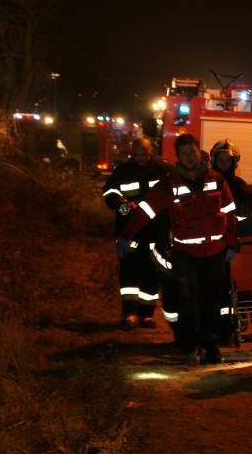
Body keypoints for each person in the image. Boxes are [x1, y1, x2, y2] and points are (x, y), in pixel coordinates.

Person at [117, 134, 238, 365]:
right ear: (178, 157)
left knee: (211, 303)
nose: (189, 157)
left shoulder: (217, 180)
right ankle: (190, 348)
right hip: (185, 255)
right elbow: (145, 211)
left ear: (198, 152)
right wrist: (126, 235)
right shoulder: (168, 184)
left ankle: (211, 347)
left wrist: (232, 243)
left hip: (215, 254)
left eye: (192, 152)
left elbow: (231, 213)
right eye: (184, 153)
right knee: (187, 302)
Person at [102, 137, 167, 330]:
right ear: (132, 153)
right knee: (129, 274)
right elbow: (108, 196)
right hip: (129, 232)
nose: (141, 158)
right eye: (137, 154)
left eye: (144, 154)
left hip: (155, 231)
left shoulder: (162, 171)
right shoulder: (122, 172)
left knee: (152, 273)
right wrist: (124, 207)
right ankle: (129, 314)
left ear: (151, 152)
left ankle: (147, 315)